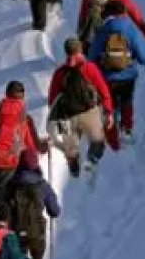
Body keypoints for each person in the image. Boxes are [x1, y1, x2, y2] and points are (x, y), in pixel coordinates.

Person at [2, 150, 61, 259]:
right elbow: (55, 211)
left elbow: (3, 209)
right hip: (37, 234)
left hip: (15, 234)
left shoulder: (10, 184)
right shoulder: (42, 185)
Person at [87, 0, 145, 147]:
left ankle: (112, 132)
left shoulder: (104, 29)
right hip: (129, 75)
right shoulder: (131, 29)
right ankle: (127, 129)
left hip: (107, 76)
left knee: (110, 103)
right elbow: (142, 56)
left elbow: (92, 55)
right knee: (127, 102)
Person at [47, 37, 114, 176]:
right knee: (98, 141)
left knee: (70, 148)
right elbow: (103, 90)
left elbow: (52, 99)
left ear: (66, 52)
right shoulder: (90, 68)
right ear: (80, 50)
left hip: (67, 115)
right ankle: (91, 161)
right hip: (90, 112)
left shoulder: (60, 73)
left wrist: (56, 118)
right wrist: (108, 112)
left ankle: (74, 167)